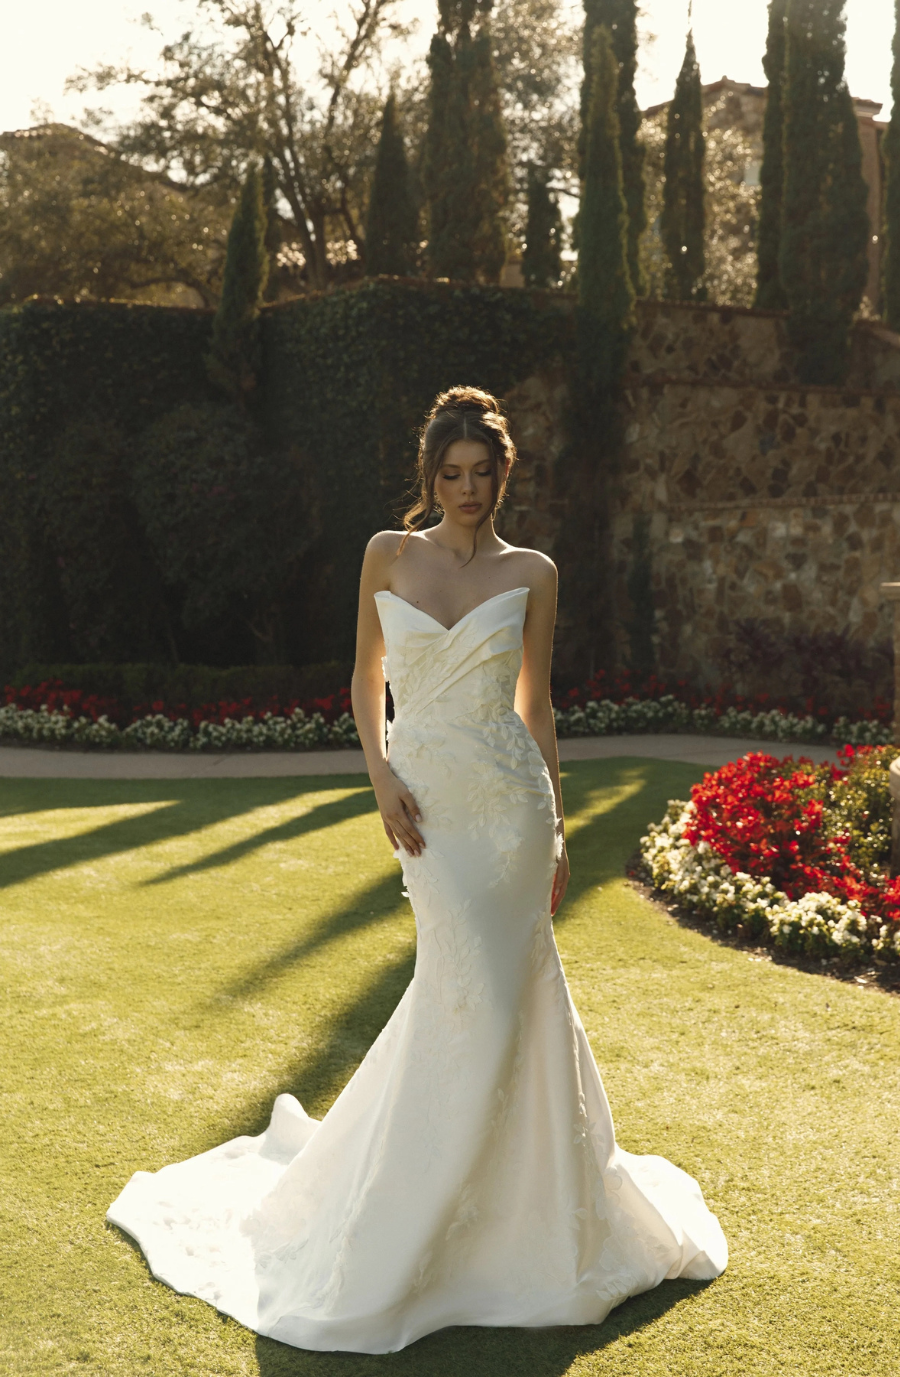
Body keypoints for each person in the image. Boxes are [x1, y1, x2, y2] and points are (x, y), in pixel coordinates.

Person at [107, 386, 727, 1355]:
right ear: (430, 477)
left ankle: (523, 1216)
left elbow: (536, 704)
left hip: (512, 810)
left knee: (511, 996)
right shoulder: (387, 555)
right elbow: (364, 681)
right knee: (462, 988)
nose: (467, 489)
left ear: (502, 475)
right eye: (451, 474)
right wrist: (381, 777)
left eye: (482, 473)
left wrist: (559, 823)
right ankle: (421, 1209)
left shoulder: (534, 572)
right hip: (427, 808)